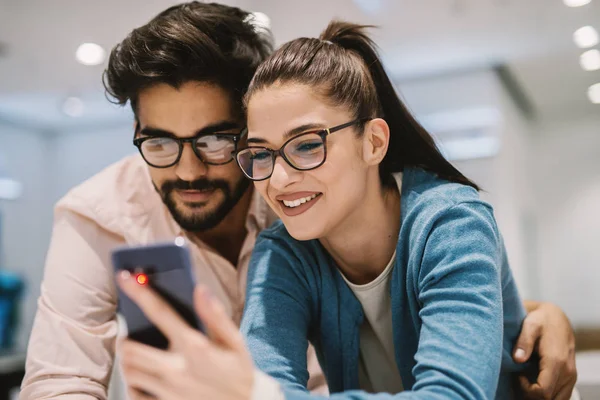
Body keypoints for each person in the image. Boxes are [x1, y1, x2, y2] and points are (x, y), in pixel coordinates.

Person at [21, 3, 574, 398]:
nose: (188, 168)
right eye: (159, 142)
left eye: (217, 140)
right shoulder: (105, 217)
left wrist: (527, 313)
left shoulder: (305, 209)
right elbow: (61, 382)